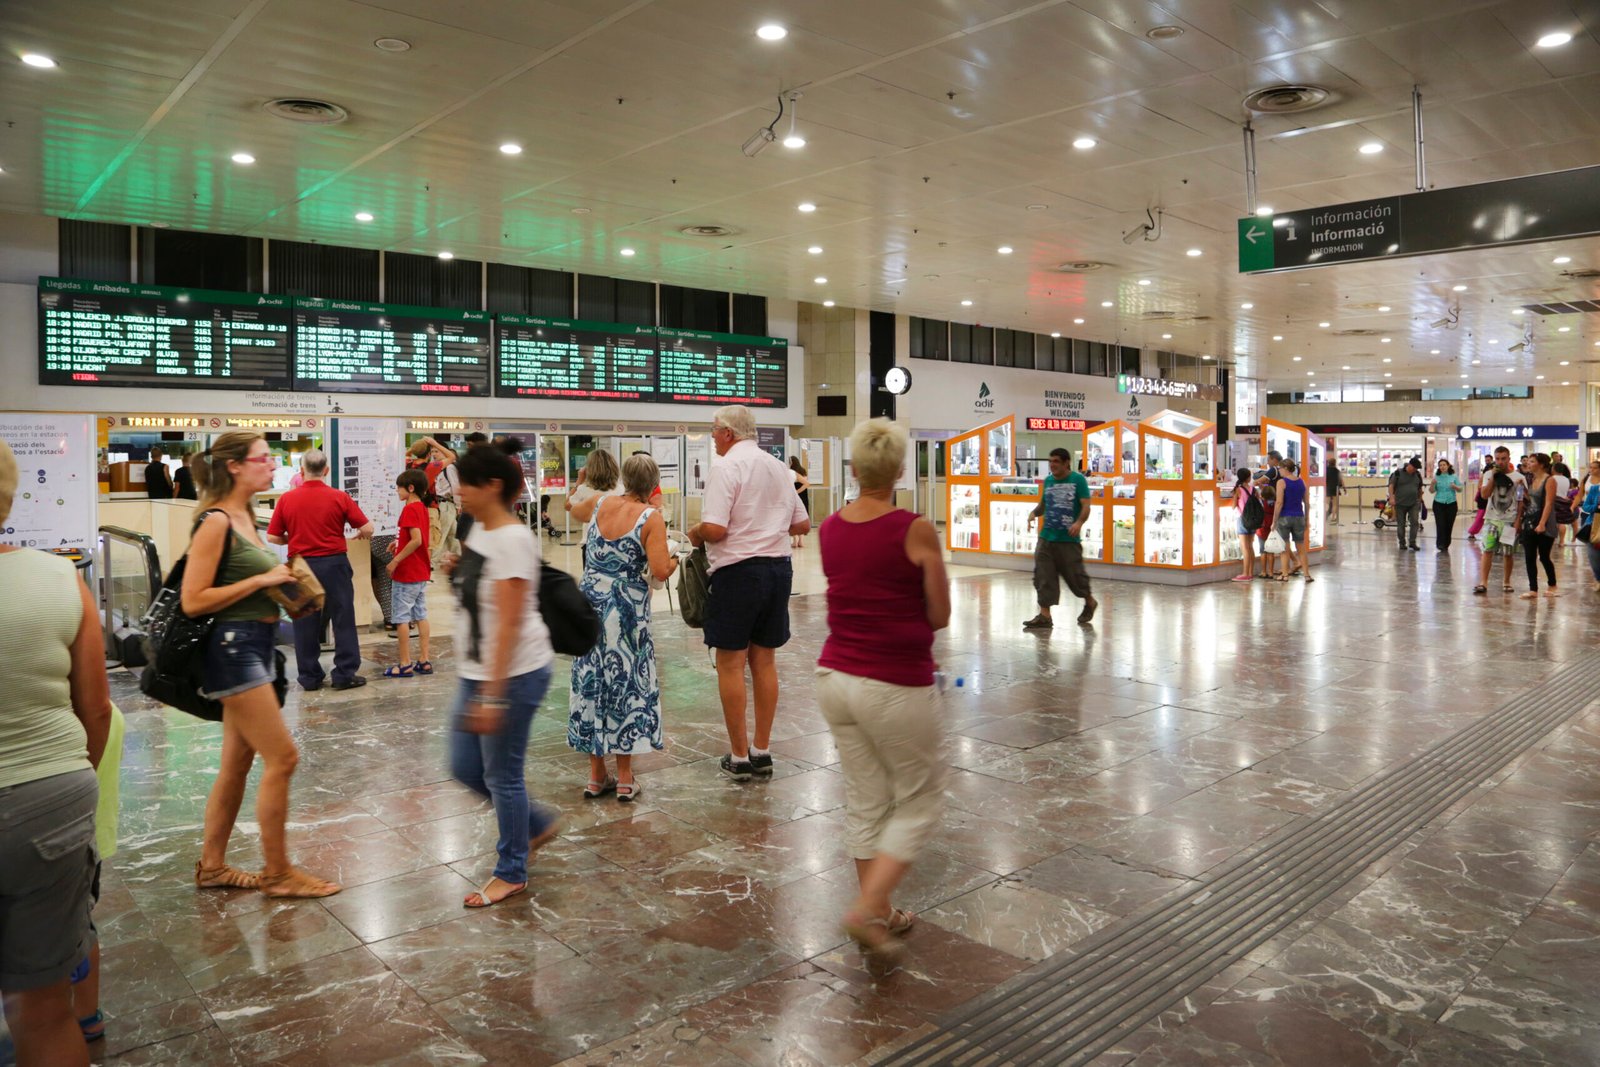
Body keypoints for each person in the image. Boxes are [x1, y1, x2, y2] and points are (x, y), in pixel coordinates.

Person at [816, 419, 950, 965]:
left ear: (853, 468)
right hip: (893, 681)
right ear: (899, 471)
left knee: (866, 799)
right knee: (918, 798)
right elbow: (940, 614)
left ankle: (882, 910)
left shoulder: (829, 528)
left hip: (835, 679)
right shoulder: (914, 528)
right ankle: (866, 903)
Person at [184, 431, 339, 899]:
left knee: (237, 763)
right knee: (283, 757)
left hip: (255, 641)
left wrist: (281, 590)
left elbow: (248, 584)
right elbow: (194, 600)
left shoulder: (245, 516)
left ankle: (212, 866)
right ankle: (277, 872)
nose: (272, 465)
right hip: (235, 650)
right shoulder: (215, 522)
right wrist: (265, 578)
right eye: (262, 459)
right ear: (234, 466)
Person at [0, 439, 113, 1067]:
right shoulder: (59, 578)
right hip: (51, 798)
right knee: (42, 1010)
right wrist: (66, 782)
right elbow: (94, 708)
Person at [446, 439, 558, 908]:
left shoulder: (513, 537)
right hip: (478, 669)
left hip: (512, 673)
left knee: (501, 775)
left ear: (492, 486)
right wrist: (459, 570)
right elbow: (480, 595)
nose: (458, 493)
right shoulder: (480, 530)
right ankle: (535, 824)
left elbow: (510, 623)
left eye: (466, 485)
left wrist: (492, 695)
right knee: (464, 766)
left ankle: (511, 869)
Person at [687, 405, 811, 782]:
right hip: (778, 571)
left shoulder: (726, 467)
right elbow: (802, 522)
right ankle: (762, 749)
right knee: (765, 662)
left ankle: (739, 756)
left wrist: (694, 533)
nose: (711, 436)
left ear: (728, 433)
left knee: (730, 663)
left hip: (739, 573)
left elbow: (716, 528)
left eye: (713, 429)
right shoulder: (777, 467)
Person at [567, 454, 677, 803]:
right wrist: (677, 558)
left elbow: (573, 509)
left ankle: (596, 776)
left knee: (592, 683)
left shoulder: (600, 503)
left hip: (589, 606)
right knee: (624, 684)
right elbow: (659, 570)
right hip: (625, 613)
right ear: (653, 485)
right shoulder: (651, 518)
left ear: (625, 479)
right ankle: (626, 779)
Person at [266, 450, 375, 692]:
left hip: (301, 565)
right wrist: (356, 535)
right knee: (343, 617)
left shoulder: (287, 499)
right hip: (334, 563)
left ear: (302, 471)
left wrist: (293, 538)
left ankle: (309, 677)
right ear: (326, 471)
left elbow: (273, 536)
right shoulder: (339, 497)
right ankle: (344, 674)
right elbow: (368, 528)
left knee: (304, 621)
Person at [1023, 447, 1097, 628]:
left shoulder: (1078, 480)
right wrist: (1034, 513)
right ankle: (1045, 615)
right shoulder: (1048, 481)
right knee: (1043, 576)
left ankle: (1089, 601)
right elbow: (1043, 505)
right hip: (1046, 537)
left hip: (1068, 540)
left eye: (1056, 461)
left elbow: (1086, 506)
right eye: (1050, 461)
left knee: (1075, 578)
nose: (1052, 465)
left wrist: (1079, 523)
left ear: (1066, 463)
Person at [385, 470, 433, 677]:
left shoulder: (409, 510)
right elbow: (415, 537)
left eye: (399, 487)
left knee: (401, 618)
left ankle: (405, 663)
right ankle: (424, 659)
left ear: (410, 488)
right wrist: (398, 543)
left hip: (407, 572)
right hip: (421, 571)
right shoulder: (421, 508)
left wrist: (395, 560)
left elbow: (416, 540)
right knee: (421, 615)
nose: (397, 490)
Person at [1473, 446, 1525, 596]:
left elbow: (1521, 500)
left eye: (1503, 458)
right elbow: (1484, 495)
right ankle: (1483, 582)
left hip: (1510, 520)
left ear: (1509, 459)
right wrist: (1493, 479)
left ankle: (1507, 581)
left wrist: (1518, 520)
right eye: (1497, 459)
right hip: (1491, 519)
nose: (1500, 462)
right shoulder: (1489, 474)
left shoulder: (1517, 477)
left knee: (1508, 553)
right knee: (1487, 550)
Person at [407, 436, 458, 572]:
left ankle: (419, 567)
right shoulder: (431, 467)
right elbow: (452, 456)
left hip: (410, 507)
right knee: (430, 541)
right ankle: (426, 569)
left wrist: (414, 448)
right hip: (429, 508)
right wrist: (434, 442)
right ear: (429, 453)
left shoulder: (408, 465)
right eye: (433, 451)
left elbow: (406, 455)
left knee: (416, 538)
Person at [565, 448, 623, 559]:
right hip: (617, 541)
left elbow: (567, 505)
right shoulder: (622, 489)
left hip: (591, 542)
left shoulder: (583, 490)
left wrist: (579, 481)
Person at [1520, 453, 1559, 600]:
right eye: (1528, 461)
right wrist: (1523, 493)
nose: (1528, 464)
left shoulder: (1549, 480)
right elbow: (1532, 501)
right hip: (1530, 521)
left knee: (1544, 556)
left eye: (1532, 461)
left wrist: (1542, 523)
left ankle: (1552, 584)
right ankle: (1533, 589)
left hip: (1545, 523)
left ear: (1541, 464)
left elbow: (1549, 503)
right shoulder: (1532, 479)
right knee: (1529, 556)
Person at [1274, 459, 1313, 582]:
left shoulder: (1281, 482)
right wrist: (1306, 519)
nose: (1279, 471)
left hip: (1284, 517)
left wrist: (1274, 521)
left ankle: (1285, 574)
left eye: (1279, 468)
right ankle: (1307, 574)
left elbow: (1279, 502)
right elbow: (1306, 503)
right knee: (1301, 547)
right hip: (1299, 517)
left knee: (1284, 548)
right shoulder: (1302, 482)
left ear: (1285, 468)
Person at [1427, 458, 1463, 552]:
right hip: (1438, 503)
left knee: (1449, 524)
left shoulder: (1454, 476)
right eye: (1440, 465)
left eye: (1444, 465)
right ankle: (1440, 544)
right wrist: (1432, 484)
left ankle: (1446, 543)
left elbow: (1460, 489)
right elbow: (1431, 491)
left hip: (1451, 503)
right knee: (1440, 524)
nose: (1442, 467)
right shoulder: (1437, 477)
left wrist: (1454, 487)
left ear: (1448, 466)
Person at [1388, 458, 1424, 551]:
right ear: (1410, 465)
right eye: (1414, 468)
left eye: (1417, 468)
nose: (1415, 470)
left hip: (1414, 503)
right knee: (1401, 524)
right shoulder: (1398, 473)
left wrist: (1420, 499)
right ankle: (1402, 543)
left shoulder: (1417, 474)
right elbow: (1391, 486)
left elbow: (1420, 488)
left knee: (1415, 522)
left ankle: (1412, 542)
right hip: (1400, 503)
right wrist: (1391, 497)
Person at [1230, 467, 1257, 582]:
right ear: (1249, 477)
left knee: (1244, 547)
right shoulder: (1253, 489)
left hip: (1242, 519)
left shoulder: (1238, 490)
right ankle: (1250, 572)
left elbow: (1233, 505)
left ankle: (1245, 573)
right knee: (1250, 547)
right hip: (1253, 519)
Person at [1550, 462, 1576, 550]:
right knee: (1561, 522)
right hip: (1563, 501)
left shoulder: (1552, 478)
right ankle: (1561, 541)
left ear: (1553, 469)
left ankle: (1552, 540)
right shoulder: (1566, 479)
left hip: (1553, 501)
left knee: (1552, 523)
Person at [1256, 484, 1278, 579]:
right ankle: (1271, 572)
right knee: (1271, 552)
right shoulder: (1275, 503)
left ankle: (1263, 572)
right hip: (1272, 527)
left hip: (1262, 528)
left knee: (1263, 551)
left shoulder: (1261, 502)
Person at [790, 456, 811, 549]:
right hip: (804, 497)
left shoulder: (793, 473)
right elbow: (806, 483)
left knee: (793, 517)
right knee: (802, 516)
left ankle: (795, 541)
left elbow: (806, 483)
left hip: (796, 496)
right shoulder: (803, 471)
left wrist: (797, 491)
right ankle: (801, 541)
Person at [1325, 460, 1343, 526]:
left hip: (1328, 488)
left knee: (1327, 503)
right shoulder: (1337, 471)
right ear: (1335, 463)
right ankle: (1333, 517)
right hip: (1336, 488)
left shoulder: (1325, 470)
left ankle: (1325, 515)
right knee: (1335, 504)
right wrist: (1344, 489)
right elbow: (1341, 480)